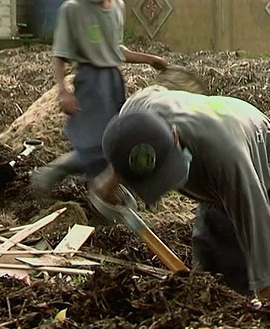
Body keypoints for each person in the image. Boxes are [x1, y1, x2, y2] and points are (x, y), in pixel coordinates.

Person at [91, 85, 270, 298]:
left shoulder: (228, 161)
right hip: (215, 185)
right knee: (211, 289)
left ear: (175, 136)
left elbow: (262, 243)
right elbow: (124, 140)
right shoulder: (136, 113)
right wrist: (111, 183)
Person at [31, 0, 168, 191]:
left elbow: (116, 49)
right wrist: (63, 92)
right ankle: (52, 173)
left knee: (113, 140)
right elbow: (60, 55)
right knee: (96, 144)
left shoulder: (118, 6)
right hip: (90, 82)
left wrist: (151, 60)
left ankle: (99, 187)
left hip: (113, 82)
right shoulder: (73, 10)